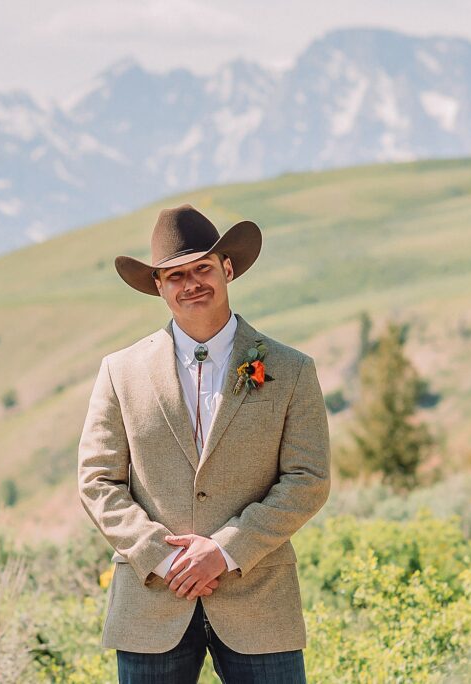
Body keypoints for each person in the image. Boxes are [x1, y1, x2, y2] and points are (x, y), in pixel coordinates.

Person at [78, 204, 331, 683]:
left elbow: (308, 480)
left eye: (202, 268)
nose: (191, 282)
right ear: (158, 285)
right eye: (175, 275)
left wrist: (226, 549)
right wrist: (164, 556)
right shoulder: (120, 372)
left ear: (227, 268)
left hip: (260, 600)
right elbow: (97, 482)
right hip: (153, 600)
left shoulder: (292, 370)